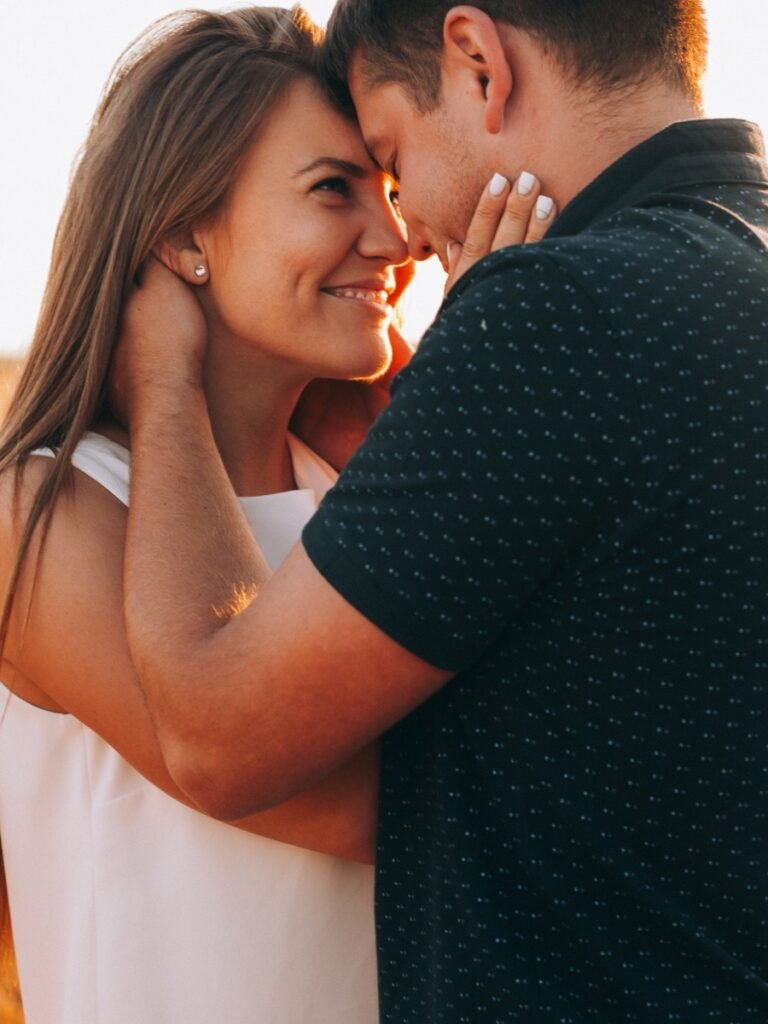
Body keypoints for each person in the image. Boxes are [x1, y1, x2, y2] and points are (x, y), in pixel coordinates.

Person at [108, 0, 768, 1020]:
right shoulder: (734, 268)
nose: (406, 224)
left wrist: (159, 376)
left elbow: (219, 734)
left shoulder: (556, 315)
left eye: (389, 154)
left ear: (477, 61)